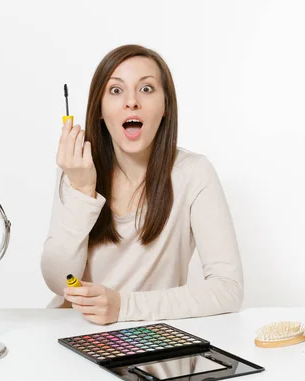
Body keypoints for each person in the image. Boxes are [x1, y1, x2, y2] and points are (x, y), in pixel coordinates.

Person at [40, 44, 243, 325]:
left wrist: (123, 307)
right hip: (71, 334)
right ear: (99, 109)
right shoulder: (78, 169)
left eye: (146, 89)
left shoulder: (194, 173)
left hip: (146, 342)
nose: (131, 102)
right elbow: (58, 282)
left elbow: (227, 289)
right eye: (115, 90)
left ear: (165, 108)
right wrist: (82, 192)